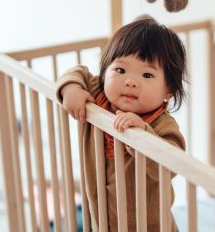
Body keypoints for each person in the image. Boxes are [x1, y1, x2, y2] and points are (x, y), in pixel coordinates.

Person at [56, 16, 187, 232]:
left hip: (150, 226)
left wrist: (144, 134)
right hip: (102, 219)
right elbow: (77, 72)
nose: (130, 81)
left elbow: (171, 164)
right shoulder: (98, 95)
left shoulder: (163, 125)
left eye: (147, 74)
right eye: (120, 70)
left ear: (168, 90)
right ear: (106, 71)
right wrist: (70, 88)